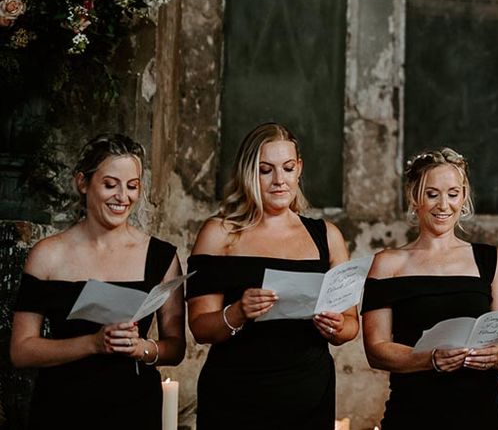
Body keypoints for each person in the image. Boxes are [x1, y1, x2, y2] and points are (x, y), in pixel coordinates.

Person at [186, 122, 359, 430]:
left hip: (308, 394)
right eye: (266, 170)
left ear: (299, 168)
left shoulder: (327, 236)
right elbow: (200, 327)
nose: (279, 180)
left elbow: (350, 325)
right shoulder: (219, 233)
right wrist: (237, 311)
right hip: (235, 395)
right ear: (248, 172)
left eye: (287, 168)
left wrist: (335, 326)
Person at [10, 133, 186, 430]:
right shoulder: (48, 255)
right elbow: (21, 350)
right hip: (61, 408)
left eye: (132, 186)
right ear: (83, 183)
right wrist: (92, 343)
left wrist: (141, 347)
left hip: (134, 410)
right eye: (110, 185)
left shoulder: (161, 256)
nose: (123, 197)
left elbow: (176, 347)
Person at [361, 147, 498, 429]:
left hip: (480, 415)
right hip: (413, 414)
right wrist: (429, 359)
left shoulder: (490, 259)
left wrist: (495, 355)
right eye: (432, 194)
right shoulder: (387, 263)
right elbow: (375, 350)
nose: (444, 205)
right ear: (414, 197)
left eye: (453, 194)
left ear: (464, 197)